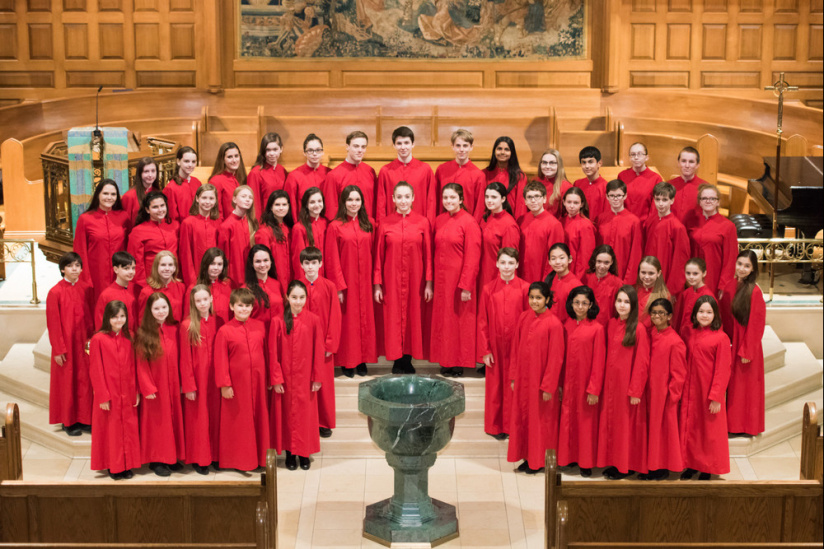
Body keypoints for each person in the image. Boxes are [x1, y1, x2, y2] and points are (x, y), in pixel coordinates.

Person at [374, 181, 433, 374]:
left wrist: (429, 283)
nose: (403, 201)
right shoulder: (384, 223)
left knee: (412, 317)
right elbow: (378, 256)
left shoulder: (423, 222)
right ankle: (396, 360)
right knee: (393, 318)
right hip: (391, 279)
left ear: (413, 198)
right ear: (393, 199)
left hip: (416, 279)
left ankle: (407, 358)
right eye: (399, 197)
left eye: (407, 197)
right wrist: (377, 284)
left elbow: (428, 255)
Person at [507, 281, 565, 474]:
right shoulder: (524, 317)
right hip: (524, 380)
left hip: (541, 383)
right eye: (531, 297)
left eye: (539, 298)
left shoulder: (554, 323)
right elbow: (515, 349)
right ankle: (526, 456)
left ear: (547, 299)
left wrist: (548, 386)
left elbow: (556, 358)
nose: (534, 301)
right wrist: (514, 376)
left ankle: (538, 460)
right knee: (523, 419)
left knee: (540, 422)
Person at [269, 281, 325, 471]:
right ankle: (290, 454)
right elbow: (272, 353)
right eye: (294, 297)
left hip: (305, 378)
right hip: (285, 378)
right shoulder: (278, 321)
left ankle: (304, 453)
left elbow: (318, 351)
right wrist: (276, 379)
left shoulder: (313, 320)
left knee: (305, 416)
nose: (298, 301)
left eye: (302, 297)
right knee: (287, 416)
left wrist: (317, 377)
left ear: (306, 298)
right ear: (287, 297)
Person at [597, 285, 650, 480]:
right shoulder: (611, 324)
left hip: (627, 386)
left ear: (633, 305)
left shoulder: (639, 329)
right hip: (611, 385)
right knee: (612, 424)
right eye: (619, 301)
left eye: (626, 302)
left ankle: (625, 465)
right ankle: (614, 461)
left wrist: (635, 390)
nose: (622, 305)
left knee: (625, 427)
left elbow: (642, 362)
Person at [430, 183, 482, 378]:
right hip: (442, 280)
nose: (448, 201)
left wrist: (466, 285)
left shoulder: (469, 222)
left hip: (459, 280)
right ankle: (447, 360)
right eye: (445, 198)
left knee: (459, 322)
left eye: (452, 198)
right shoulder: (439, 220)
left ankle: (459, 362)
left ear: (461, 199)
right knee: (445, 322)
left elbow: (473, 256)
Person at [214, 288, 270, 472]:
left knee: (258, 418)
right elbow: (220, 360)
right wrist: (224, 384)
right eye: (240, 305)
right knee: (240, 422)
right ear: (232, 306)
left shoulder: (260, 326)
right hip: (237, 385)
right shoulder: (224, 331)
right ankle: (240, 461)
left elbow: (266, 354)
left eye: (247, 306)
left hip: (259, 382)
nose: (244, 309)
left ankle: (260, 458)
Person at [325, 185, 377, 377]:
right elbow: (332, 258)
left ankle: (363, 360)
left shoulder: (369, 224)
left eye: (357, 200)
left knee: (366, 321)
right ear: (343, 202)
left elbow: (375, 253)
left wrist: (375, 281)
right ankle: (348, 362)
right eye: (349, 200)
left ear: (362, 202)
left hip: (366, 280)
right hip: (346, 282)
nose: (353, 204)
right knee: (349, 322)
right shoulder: (335, 226)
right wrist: (338, 286)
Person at [477, 247, 529, 439]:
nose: (506, 267)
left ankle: (513, 426)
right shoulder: (488, 289)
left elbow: (529, 319)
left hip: (517, 346)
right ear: (497, 264)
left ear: (517, 265)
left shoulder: (525, 288)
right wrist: (485, 349)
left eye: (511, 263)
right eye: (503, 262)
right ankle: (495, 426)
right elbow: (483, 321)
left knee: (515, 385)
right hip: (495, 347)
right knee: (495, 386)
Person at [680, 295, 731, 479]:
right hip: (689, 389)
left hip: (708, 390)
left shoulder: (721, 338)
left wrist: (717, 396)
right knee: (691, 427)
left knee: (708, 431)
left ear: (715, 315)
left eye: (709, 312)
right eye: (701, 311)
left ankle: (707, 467)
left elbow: (723, 369)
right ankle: (691, 464)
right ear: (695, 314)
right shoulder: (687, 332)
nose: (704, 315)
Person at [89, 300, 140, 480]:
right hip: (109, 393)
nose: (119, 320)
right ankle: (114, 465)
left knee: (128, 428)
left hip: (127, 391)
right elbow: (96, 369)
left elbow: (134, 367)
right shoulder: (98, 339)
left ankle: (127, 464)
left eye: (122, 316)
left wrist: (136, 392)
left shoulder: (130, 337)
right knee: (112, 431)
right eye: (115, 317)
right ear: (107, 318)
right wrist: (103, 396)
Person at [558, 285, 605, 477]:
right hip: (567, 383)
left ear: (591, 304)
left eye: (584, 303)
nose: (580, 306)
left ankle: (585, 462)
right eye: (576, 302)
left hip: (586, 384)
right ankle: (568, 458)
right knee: (567, 421)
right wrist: (559, 384)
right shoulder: (564, 325)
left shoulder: (597, 329)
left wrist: (593, 389)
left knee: (585, 423)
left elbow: (599, 361)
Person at [135, 292, 185, 477]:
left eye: (164, 307)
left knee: (172, 419)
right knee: (157, 423)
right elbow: (141, 363)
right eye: (156, 308)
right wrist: (147, 387)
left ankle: (171, 458)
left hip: (173, 383)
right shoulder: (143, 333)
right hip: (155, 386)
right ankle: (157, 460)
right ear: (149, 310)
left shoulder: (174, 328)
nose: (161, 311)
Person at [47, 252, 94, 436]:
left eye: (77, 265)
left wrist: (91, 339)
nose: (75, 269)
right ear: (62, 269)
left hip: (83, 342)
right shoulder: (55, 292)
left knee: (84, 381)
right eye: (70, 265)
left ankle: (84, 418)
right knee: (68, 382)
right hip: (65, 344)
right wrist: (58, 349)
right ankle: (69, 421)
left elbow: (89, 316)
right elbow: (53, 323)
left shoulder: (85, 288)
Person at [720, 250, 766, 437]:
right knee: (733, 387)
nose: (742, 268)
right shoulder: (730, 285)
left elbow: (756, 325)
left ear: (753, 268)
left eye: (747, 266)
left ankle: (745, 426)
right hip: (732, 342)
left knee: (745, 389)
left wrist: (747, 351)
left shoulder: (754, 292)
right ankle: (732, 424)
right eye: (739, 264)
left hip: (746, 346)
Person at [640, 298, 687, 480]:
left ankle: (660, 467)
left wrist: (672, 396)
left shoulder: (675, 341)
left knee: (662, 432)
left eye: (661, 313)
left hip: (663, 394)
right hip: (648, 391)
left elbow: (679, 374)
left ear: (669, 316)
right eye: (654, 313)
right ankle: (649, 464)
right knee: (649, 429)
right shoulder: (649, 333)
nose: (656, 316)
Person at [297, 247, 341, 438]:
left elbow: (335, 316)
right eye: (307, 263)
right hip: (302, 345)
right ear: (301, 265)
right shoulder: (297, 287)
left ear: (321, 264)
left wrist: (330, 344)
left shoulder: (329, 286)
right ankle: (306, 420)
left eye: (314, 263)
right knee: (303, 384)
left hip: (323, 345)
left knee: (323, 384)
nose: (310, 267)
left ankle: (323, 421)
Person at [179, 285, 223, 474]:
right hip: (198, 379)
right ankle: (200, 458)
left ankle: (216, 455)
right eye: (198, 301)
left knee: (216, 417)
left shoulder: (218, 320)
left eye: (206, 299)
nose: (203, 303)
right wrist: (189, 385)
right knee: (199, 418)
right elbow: (185, 358)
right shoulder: (187, 325)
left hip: (216, 377)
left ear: (212, 299)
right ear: (193, 303)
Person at [73, 179, 131, 304]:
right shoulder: (85, 219)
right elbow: (80, 251)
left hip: (119, 273)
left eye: (113, 194)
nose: (109, 197)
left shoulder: (123, 216)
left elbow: (128, 247)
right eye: (105, 193)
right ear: (98, 194)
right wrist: (84, 278)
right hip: (96, 275)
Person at [376, 126, 435, 223]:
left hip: (419, 226)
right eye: (399, 143)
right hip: (392, 227)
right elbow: (381, 204)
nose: (403, 147)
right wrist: (381, 226)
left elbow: (431, 202)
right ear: (394, 145)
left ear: (413, 144)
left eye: (406, 143)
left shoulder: (425, 169)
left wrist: (429, 226)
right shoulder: (385, 171)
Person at [689, 184, 738, 298]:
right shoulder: (692, 223)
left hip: (714, 278)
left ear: (718, 202)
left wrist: (723, 284)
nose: (708, 201)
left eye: (712, 198)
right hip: (693, 278)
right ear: (700, 202)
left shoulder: (728, 226)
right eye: (704, 198)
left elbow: (730, 259)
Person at [127, 191, 179, 292]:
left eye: (162, 205)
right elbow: (136, 263)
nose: (160, 210)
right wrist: (143, 286)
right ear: (147, 210)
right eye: (155, 207)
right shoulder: (138, 231)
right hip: (151, 282)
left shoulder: (175, 226)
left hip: (172, 280)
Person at [644, 182, 691, 293]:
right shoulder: (650, 221)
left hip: (666, 283)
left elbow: (680, 261)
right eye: (657, 199)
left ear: (672, 200)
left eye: (665, 200)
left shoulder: (677, 227)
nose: (660, 204)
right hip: (648, 278)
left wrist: (672, 288)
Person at [596, 180, 643, 283]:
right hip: (602, 275)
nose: (615, 199)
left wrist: (628, 281)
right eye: (612, 196)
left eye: (618, 195)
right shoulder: (601, 219)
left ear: (625, 196)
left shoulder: (634, 221)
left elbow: (635, 254)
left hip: (623, 275)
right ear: (607, 196)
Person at [324, 131, 378, 219]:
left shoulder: (370, 171)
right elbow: (331, 211)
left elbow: (375, 203)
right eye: (356, 146)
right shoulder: (333, 175)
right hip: (344, 228)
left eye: (363, 147)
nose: (360, 150)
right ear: (347, 147)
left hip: (367, 227)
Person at [518, 181, 564, 283]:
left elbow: (555, 257)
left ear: (544, 199)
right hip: (521, 276)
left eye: (537, 196)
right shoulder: (521, 220)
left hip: (541, 278)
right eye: (529, 197)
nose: (533, 200)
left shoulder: (554, 224)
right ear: (525, 201)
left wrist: (546, 281)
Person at [434, 129, 485, 219]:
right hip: (443, 221)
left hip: (466, 223)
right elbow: (436, 199)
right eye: (458, 145)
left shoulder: (478, 175)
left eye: (465, 146)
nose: (461, 149)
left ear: (471, 147)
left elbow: (479, 206)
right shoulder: (441, 170)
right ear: (452, 146)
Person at [478, 182, 520, 292]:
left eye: (494, 197)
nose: (489, 200)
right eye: (487, 196)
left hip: (495, 278)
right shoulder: (485, 218)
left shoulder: (509, 225)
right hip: (481, 274)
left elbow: (510, 259)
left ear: (503, 199)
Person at [178, 183, 221, 288]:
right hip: (196, 278)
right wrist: (192, 282)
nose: (207, 202)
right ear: (197, 199)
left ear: (215, 201)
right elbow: (185, 254)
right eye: (204, 198)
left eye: (211, 198)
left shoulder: (219, 223)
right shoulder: (188, 223)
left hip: (215, 276)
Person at [218, 185, 257, 287]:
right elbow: (224, 256)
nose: (247, 200)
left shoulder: (251, 223)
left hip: (250, 275)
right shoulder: (226, 226)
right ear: (234, 199)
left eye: (250, 198)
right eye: (244, 196)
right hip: (234, 278)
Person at [255, 190, 293, 295]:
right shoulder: (264, 232)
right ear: (271, 207)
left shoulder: (289, 229)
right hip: (275, 282)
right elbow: (263, 263)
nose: (281, 208)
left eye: (284, 204)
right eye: (277, 205)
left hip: (290, 280)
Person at [284, 133, 330, 216]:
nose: (314, 154)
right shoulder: (294, 176)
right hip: (303, 223)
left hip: (324, 223)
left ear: (322, 152)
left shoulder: (330, 174)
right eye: (310, 150)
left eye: (318, 150)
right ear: (304, 153)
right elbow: (291, 206)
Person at [185, 247, 233, 324]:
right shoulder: (194, 288)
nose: (216, 268)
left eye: (219, 264)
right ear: (205, 265)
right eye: (212, 264)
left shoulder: (227, 285)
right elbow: (188, 317)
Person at [483, 136, 528, 219]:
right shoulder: (484, 174)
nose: (502, 152)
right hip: (488, 220)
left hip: (510, 221)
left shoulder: (519, 176)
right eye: (499, 149)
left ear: (512, 153)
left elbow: (520, 205)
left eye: (507, 149)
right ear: (494, 151)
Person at [618, 142, 662, 223]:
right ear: (629, 157)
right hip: (625, 223)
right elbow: (619, 202)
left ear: (646, 157)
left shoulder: (655, 178)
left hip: (645, 224)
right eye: (633, 154)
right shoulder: (622, 176)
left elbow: (655, 207)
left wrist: (648, 224)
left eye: (640, 154)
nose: (636, 157)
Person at [137, 250, 186, 323]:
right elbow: (143, 321)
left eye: (170, 265)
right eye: (163, 265)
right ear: (156, 267)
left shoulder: (181, 287)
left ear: (175, 268)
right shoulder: (146, 292)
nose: (167, 269)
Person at [94, 251, 138, 332]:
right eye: (126, 268)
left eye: (133, 268)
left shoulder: (137, 290)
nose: (131, 271)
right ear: (116, 269)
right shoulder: (106, 295)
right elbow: (100, 323)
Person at [247, 133, 288, 216]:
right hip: (265, 221)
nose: (272, 153)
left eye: (275, 149)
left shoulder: (282, 170)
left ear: (281, 149)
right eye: (268, 150)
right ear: (263, 151)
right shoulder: (255, 173)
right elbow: (255, 205)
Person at [291, 186, 328, 277]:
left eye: (319, 201)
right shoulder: (299, 228)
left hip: (325, 276)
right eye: (312, 202)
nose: (317, 205)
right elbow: (298, 260)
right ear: (306, 205)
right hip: (309, 277)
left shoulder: (326, 223)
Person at [582, 245, 623, 327]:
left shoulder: (618, 283)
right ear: (594, 260)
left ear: (611, 262)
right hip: (586, 324)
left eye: (606, 263)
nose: (602, 266)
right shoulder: (585, 277)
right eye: (599, 261)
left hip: (606, 327)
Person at [673, 258, 713, 340]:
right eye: (688, 273)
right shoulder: (686, 293)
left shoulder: (707, 296)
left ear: (704, 273)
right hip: (684, 337)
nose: (691, 277)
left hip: (698, 339)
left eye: (695, 274)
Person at [560, 187, 596, 279]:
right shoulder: (561, 221)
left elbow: (585, 258)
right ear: (564, 202)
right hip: (560, 270)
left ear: (582, 204)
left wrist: (578, 279)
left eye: (576, 203)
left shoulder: (586, 225)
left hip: (575, 274)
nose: (572, 206)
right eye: (569, 202)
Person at [244, 244, 283, 326]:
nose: (262, 265)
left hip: (278, 333)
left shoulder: (277, 284)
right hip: (257, 334)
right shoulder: (245, 289)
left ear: (271, 261)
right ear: (251, 263)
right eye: (258, 261)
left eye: (266, 260)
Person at [669, 146, 706, 231]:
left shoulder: (704, 188)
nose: (687, 165)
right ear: (678, 163)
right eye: (683, 161)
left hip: (695, 236)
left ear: (697, 165)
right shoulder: (669, 186)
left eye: (691, 162)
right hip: (672, 233)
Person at [209, 142, 248, 220]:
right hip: (227, 227)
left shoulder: (242, 177)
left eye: (236, 156)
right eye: (230, 157)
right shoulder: (216, 181)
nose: (234, 160)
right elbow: (217, 214)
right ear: (222, 159)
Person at [544, 242, 582, 321]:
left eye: (562, 258)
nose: (557, 262)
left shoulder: (576, 286)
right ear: (549, 261)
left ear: (570, 259)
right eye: (553, 258)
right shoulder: (549, 278)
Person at [164, 146, 201, 223]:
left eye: (193, 162)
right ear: (178, 161)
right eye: (186, 161)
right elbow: (172, 217)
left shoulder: (197, 182)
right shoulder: (171, 188)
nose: (190, 165)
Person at [636, 256, 671, 331]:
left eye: (651, 273)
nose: (646, 276)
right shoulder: (634, 289)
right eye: (643, 272)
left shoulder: (664, 296)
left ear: (659, 273)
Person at [121, 157, 160, 224]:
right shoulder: (129, 196)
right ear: (140, 173)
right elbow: (126, 223)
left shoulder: (158, 193)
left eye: (153, 171)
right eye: (146, 171)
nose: (150, 175)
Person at [573, 146, 608, 221]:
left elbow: (606, 214)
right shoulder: (577, 184)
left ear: (599, 163)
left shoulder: (606, 187)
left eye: (590, 162)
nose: (587, 166)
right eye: (584, 162)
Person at [535, 149, 571, 218]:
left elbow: (566, 216)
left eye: (552, 163)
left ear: (559, 165)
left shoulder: (566, 187)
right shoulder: (536, 182)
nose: (547, 166)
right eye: (544, 162)